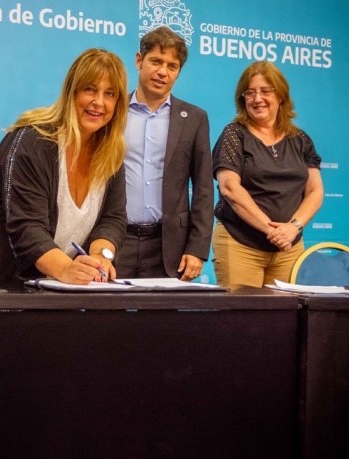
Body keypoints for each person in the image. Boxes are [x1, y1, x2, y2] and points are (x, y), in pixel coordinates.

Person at [0, 48, 128, 285]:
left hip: (43, 277)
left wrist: (100, 257)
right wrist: (65, 269)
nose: (98, 102)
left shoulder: (110, 153)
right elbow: (27, 226)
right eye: (90, 89)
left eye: (109, 94)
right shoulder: (33, 140)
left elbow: (113, 218)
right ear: (72, 92)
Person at [211, 60, 324, 290]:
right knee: (242, 320)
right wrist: (272, 230)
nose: (257, 99)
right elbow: (230, 188)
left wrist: (293, 227)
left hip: (289, 249)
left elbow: (315, 191)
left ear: (280, 96)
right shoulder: (234, 134)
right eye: (249, 93)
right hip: (240, 244)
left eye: (265, 91)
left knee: (284, 321)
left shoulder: (301, 139)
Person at [117, 26, 214, 281]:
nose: (163, 72)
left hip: (169, 246)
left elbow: (204, 188)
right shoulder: (113, 112)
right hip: (115, 240)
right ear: (139, 61)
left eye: (172, 66)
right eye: (156, 61)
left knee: (162, 322)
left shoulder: (195, 119)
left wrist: (197, 248)